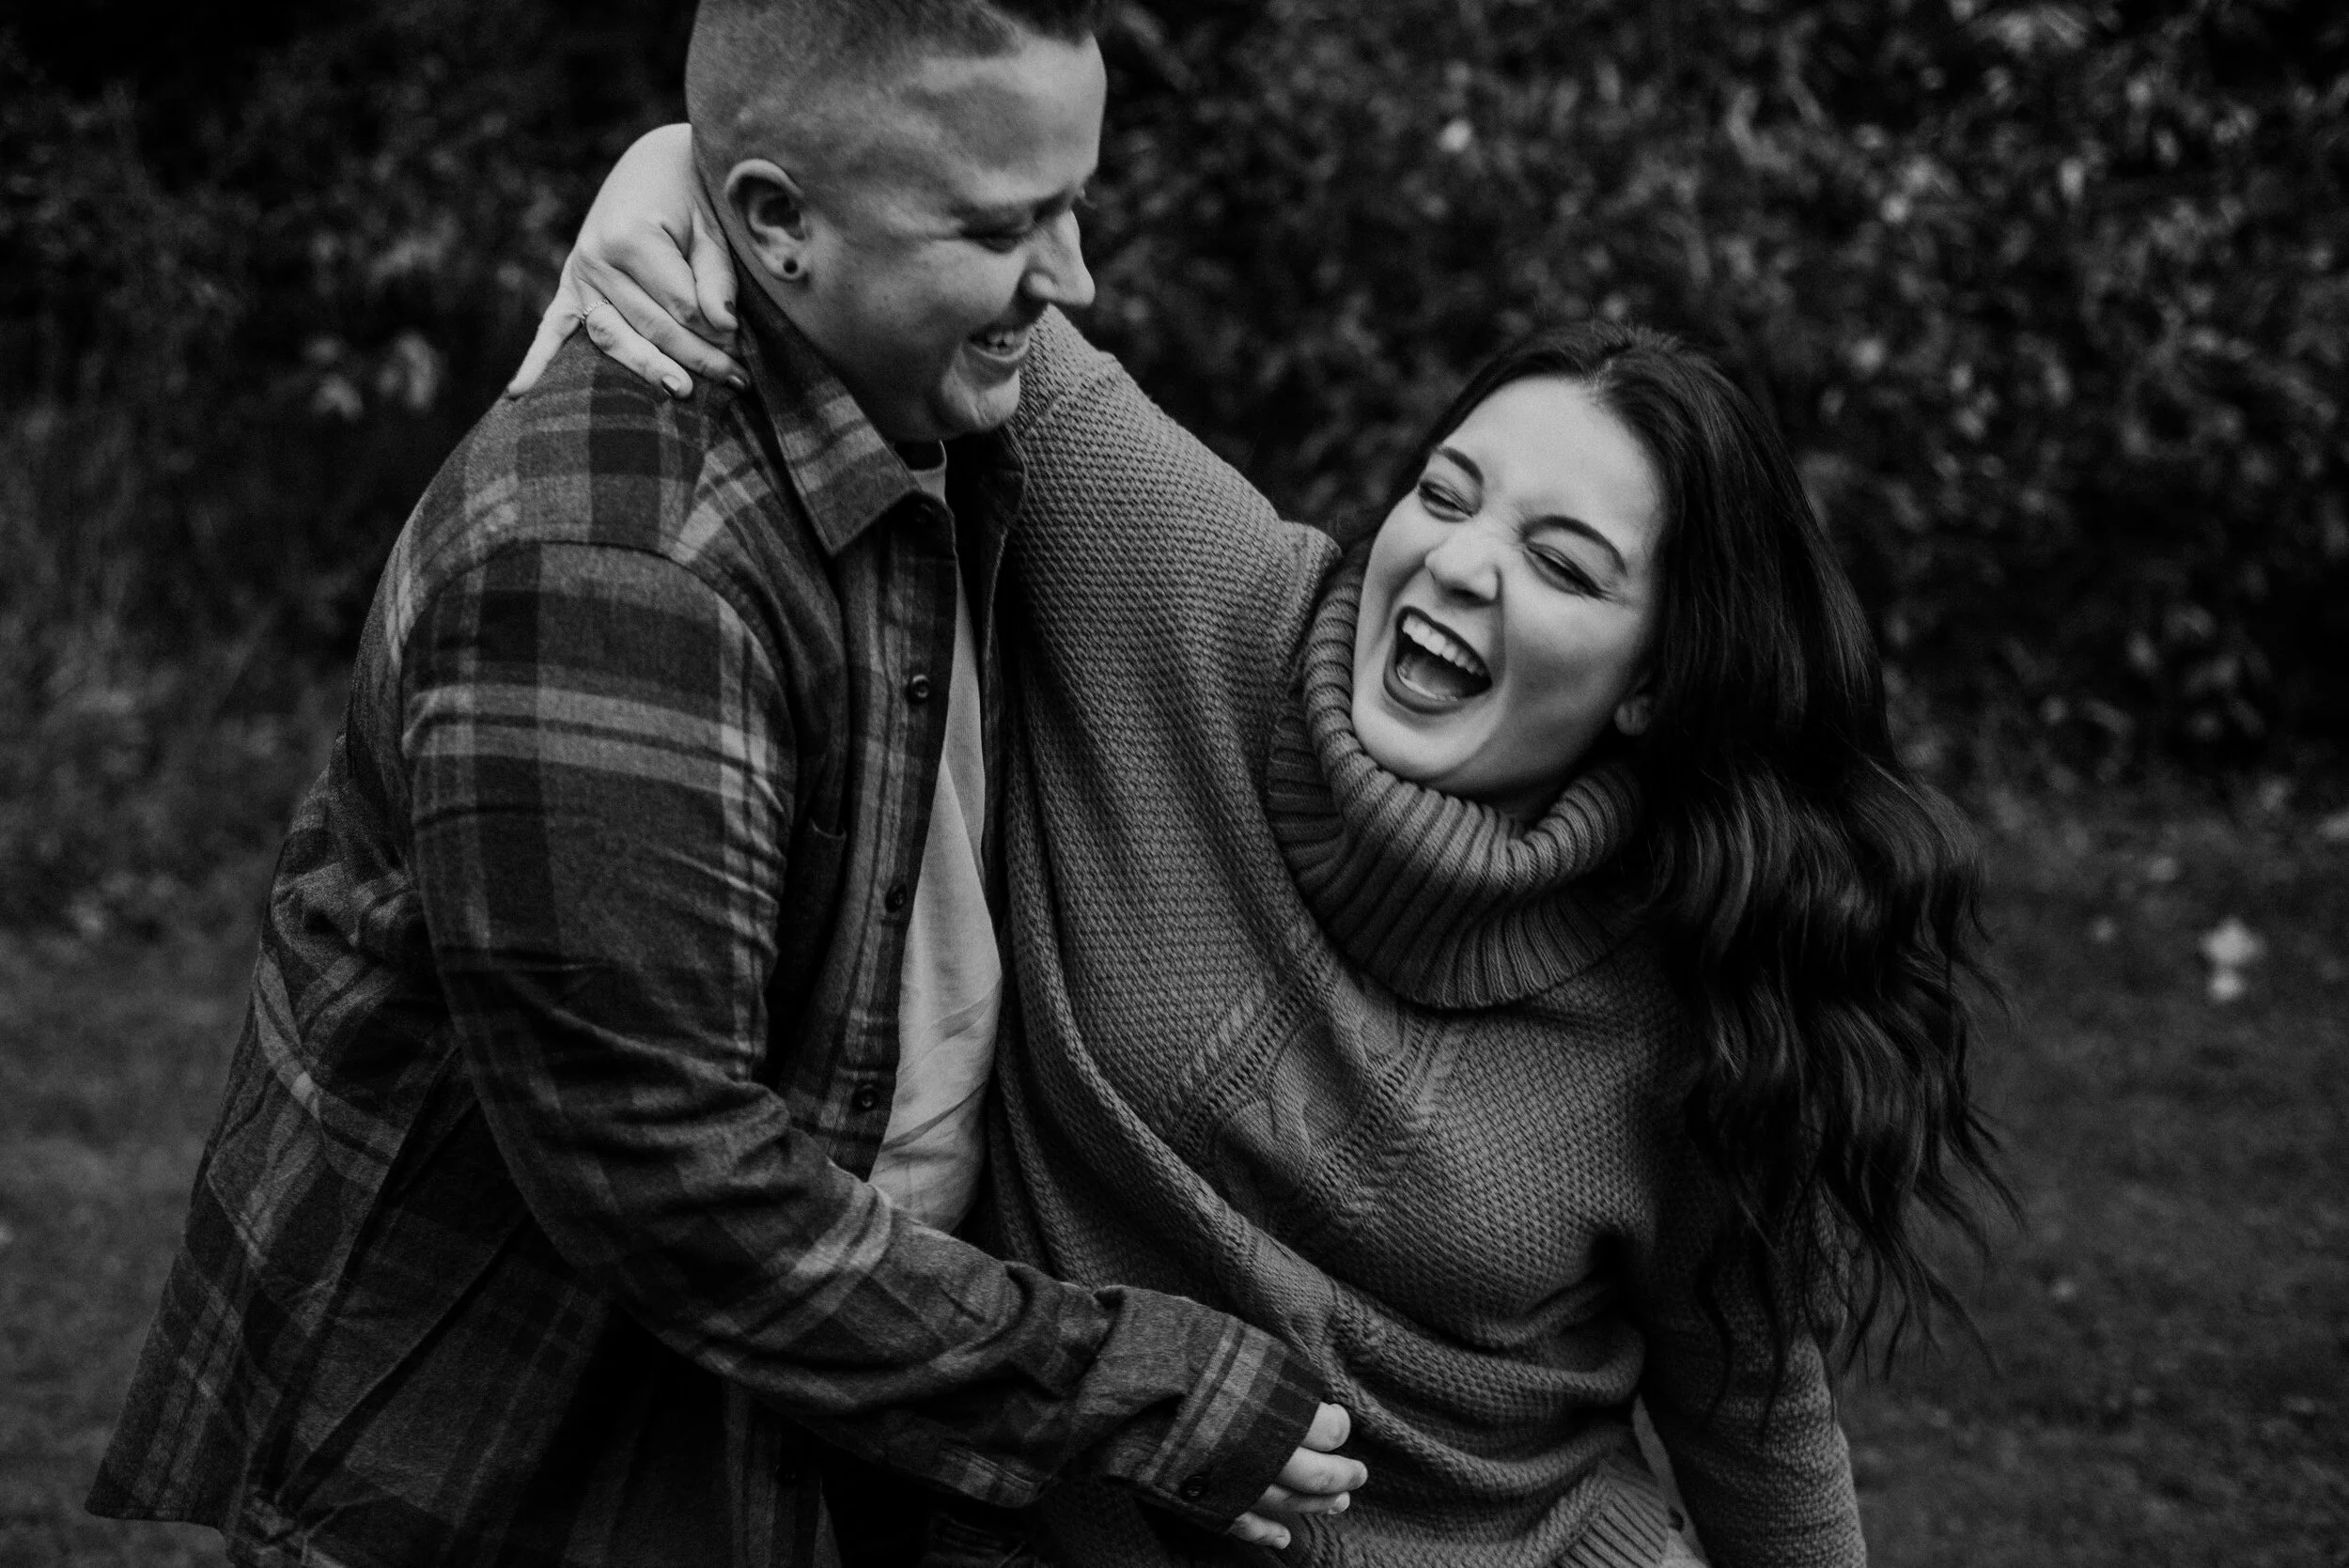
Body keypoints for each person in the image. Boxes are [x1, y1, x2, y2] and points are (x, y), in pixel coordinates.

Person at [525, 122, 2011, 1568]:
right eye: (1446, 491)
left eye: (1563, 566)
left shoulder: (1688, 988)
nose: (1461, 562)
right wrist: (675, 162)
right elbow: (932, 255)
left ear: (1653, 683)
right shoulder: (1189, 590)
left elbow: (1752, 1409)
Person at [86, 5, 1367, 1566]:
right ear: (769, 223)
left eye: (1072, 201)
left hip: (801, 1408)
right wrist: (1147, 1390)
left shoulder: (910, 382)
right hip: (508, 1457)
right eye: (1003, 225)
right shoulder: (619, 566)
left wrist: (671, 163)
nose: (1076, 279)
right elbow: (667, 1179)